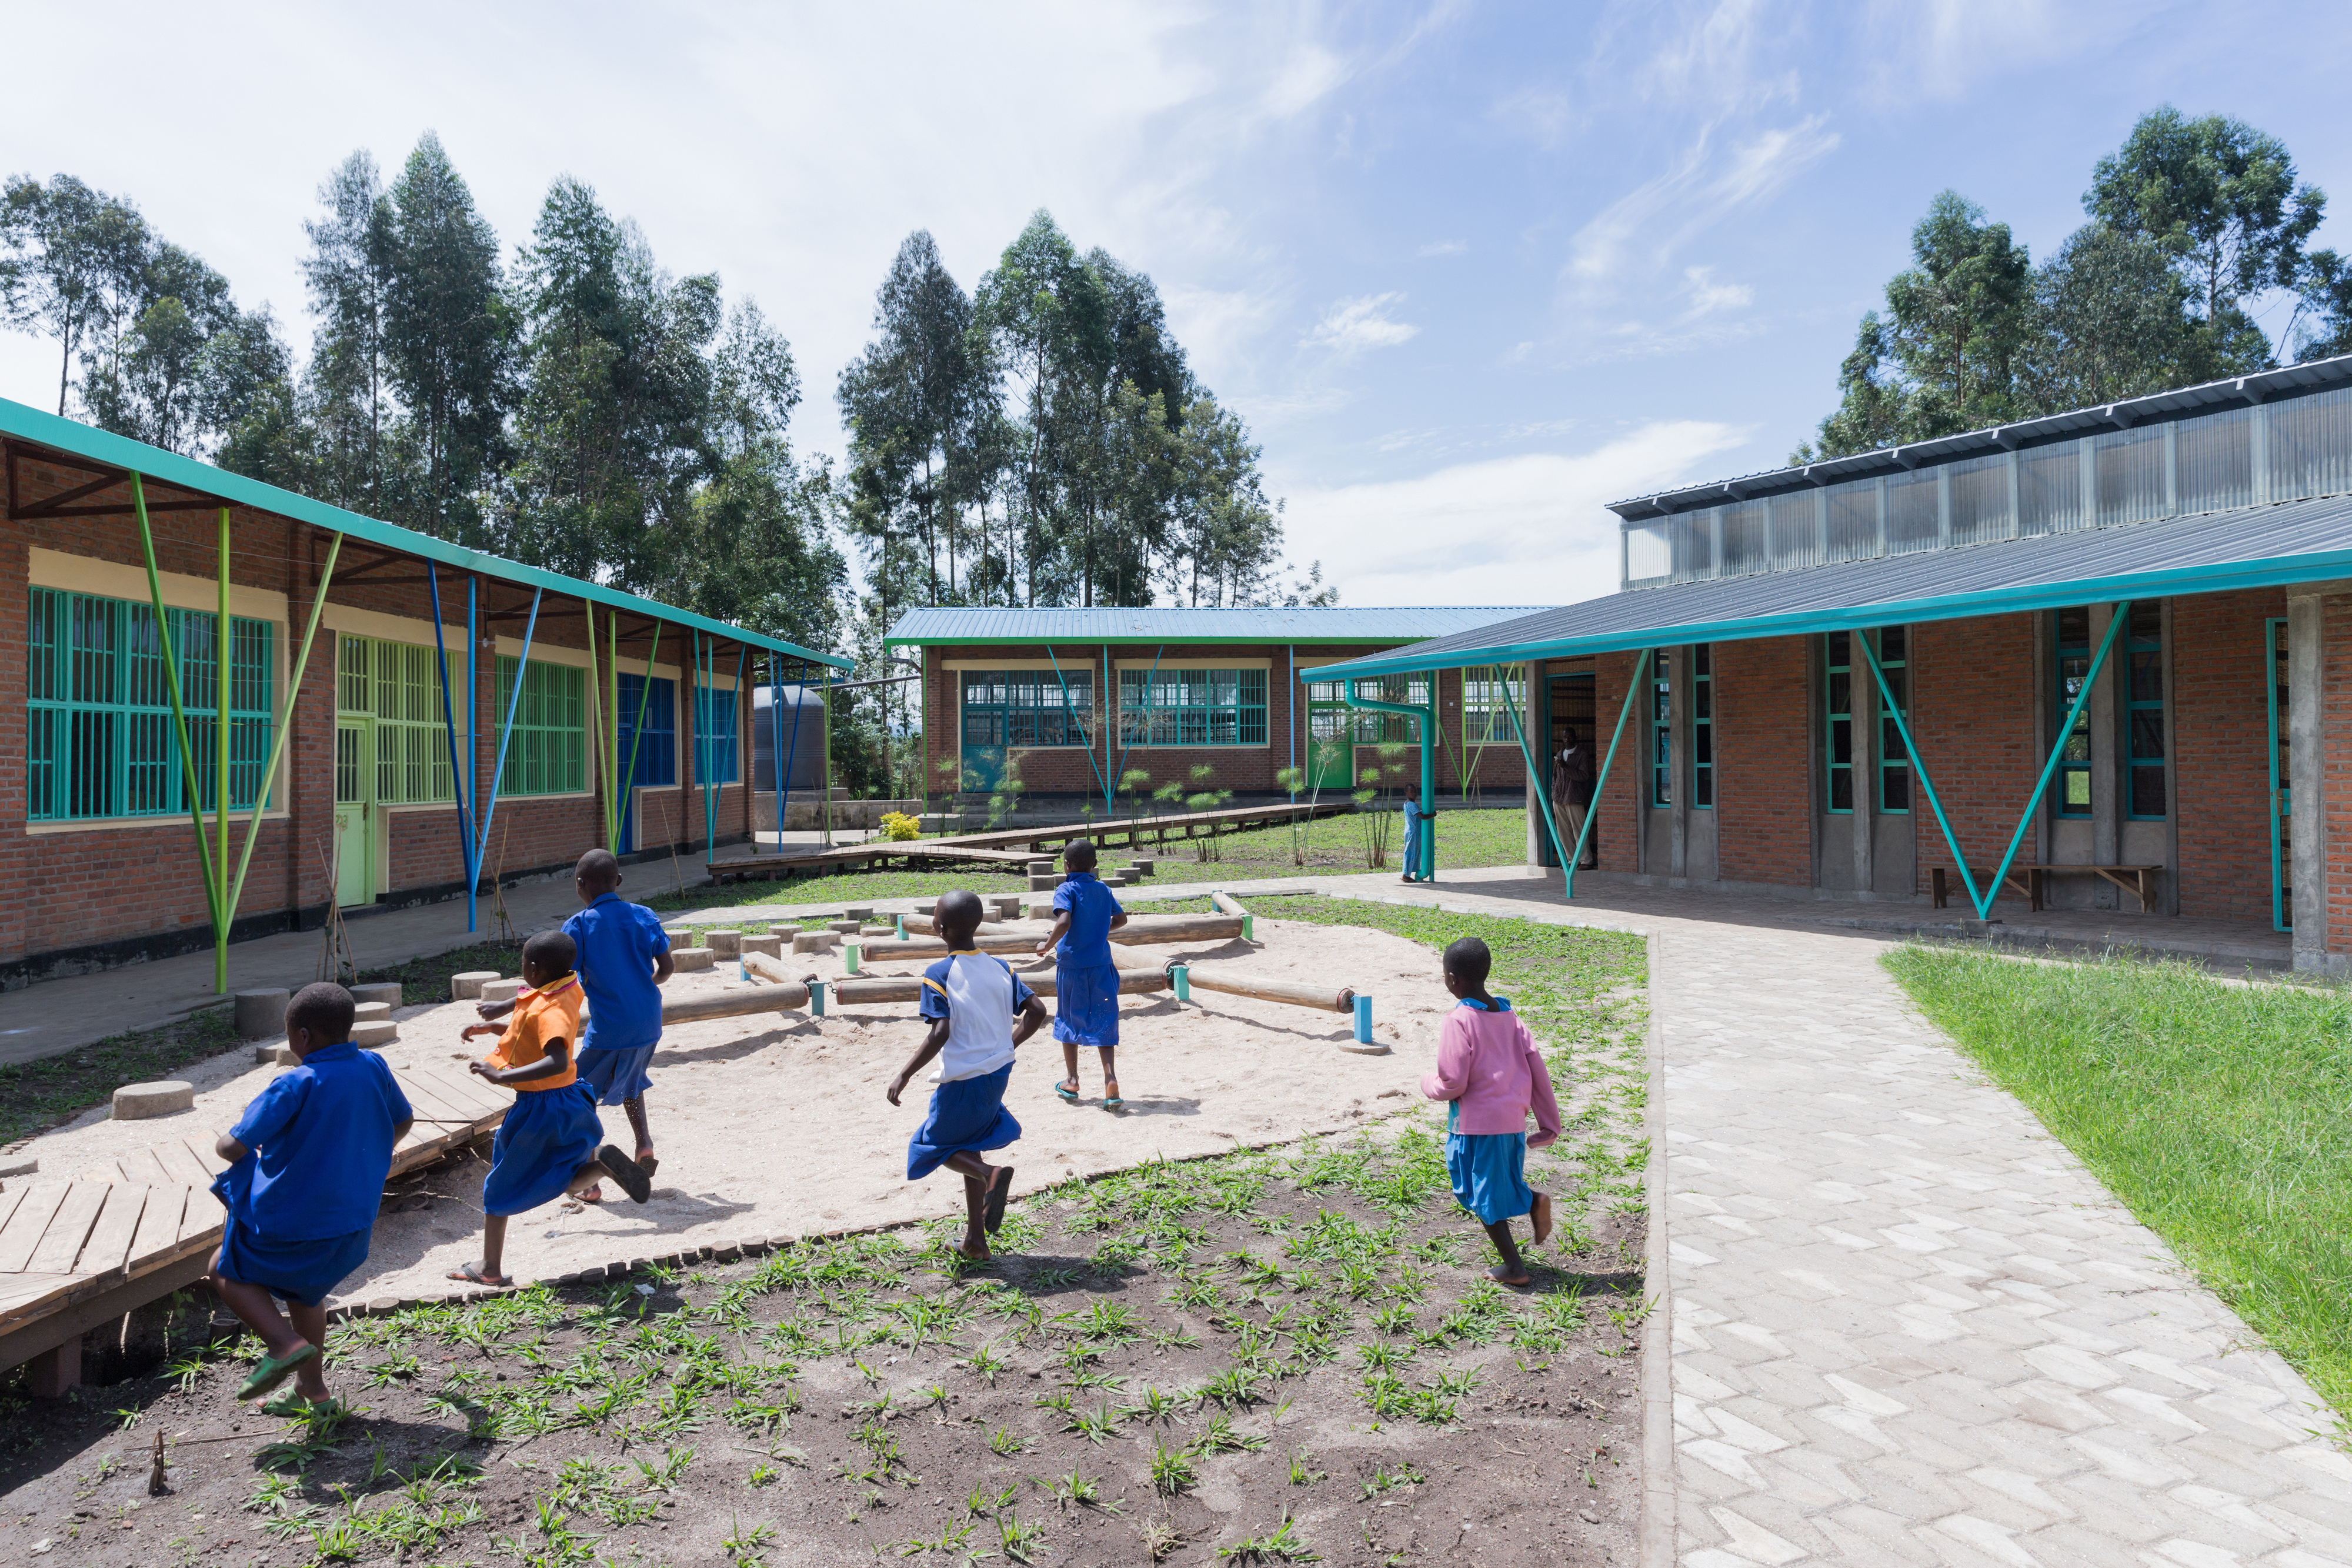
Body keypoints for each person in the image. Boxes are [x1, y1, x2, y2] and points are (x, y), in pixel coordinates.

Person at [209, 982, 414, 1416]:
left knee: (222, 1270)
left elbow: (232, 1149)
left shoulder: (295, 1083)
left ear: (303, 1036)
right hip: (352, 1220)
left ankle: (282, 1344)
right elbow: (403, 1119)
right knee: (306, 1294)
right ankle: (312, 1391)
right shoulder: (374, 1065)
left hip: (295, 1222)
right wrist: (369, 1159)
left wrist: (231, 1140)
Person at [449, 929, 648, 1287]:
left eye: (524, 964)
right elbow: (529, 1015)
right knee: (569, 1173)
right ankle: (601, 1167)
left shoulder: (552, 1012)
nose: (522, 970)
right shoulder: (567, 986)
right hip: (573, 1098)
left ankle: (489, 1267)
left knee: (499, 1186)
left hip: (539, 1107)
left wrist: (499, 1077)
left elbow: (556, 1058)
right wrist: (493, 1025)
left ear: (535, 969)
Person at [892, 889, 1048, 1262]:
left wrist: (905, 1074)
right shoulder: (1001, 967)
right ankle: (976, 1243)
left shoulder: (939, 973)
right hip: (998, 1073)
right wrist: (1007, 1045)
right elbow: (1038, 1011)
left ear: (940, 928)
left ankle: (990, 1174)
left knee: (933, 1146)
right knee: (969, 1140)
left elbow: (941, 1032)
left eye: (933, 915)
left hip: (963, 1079)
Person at [1420, 936, 1560, 1287]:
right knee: (1493, 1185)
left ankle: (1514, 1266)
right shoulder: (1511, 1017)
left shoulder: (1459, 1020)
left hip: (1476, 1127)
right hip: (1511, 1122)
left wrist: (1428, 1084)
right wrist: (1549, 1123)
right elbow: (1538, 1072)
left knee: (1480, 1194)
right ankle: (1532, 1201)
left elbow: (1452, 1082)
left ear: (1452, 979)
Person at [559, 849, 674, 1200]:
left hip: (610, 1028)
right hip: (649, 1022)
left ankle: (590, 1182)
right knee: (631, 1079)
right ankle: (644, 1143)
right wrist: (639, 987)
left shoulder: (579, 925)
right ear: (619, 881)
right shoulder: (645, 916)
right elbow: (666, 969)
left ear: (580, 886)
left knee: (580, 1093)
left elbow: (563, 980)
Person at [1035, 839, 1129, 1108]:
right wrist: (1099, 931)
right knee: (1105, 1018)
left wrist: (1047, 945)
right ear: (1095, 865)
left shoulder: (1066, 889)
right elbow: (1121, 920)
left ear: (1066, 865)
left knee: (1068, 1018)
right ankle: (1110, 1078)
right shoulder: (1102, 888)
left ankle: (1072, 1079)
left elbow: (1064, 921)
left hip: (1072, 967)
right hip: (1101, 965)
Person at [1554, 727, 1597, 870]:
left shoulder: (1582, 754)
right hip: (1560, 798)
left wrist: (1567, 767)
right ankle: (1572, 859)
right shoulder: (1560, 754)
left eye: (1569, 737)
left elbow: (1584, 776)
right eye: (1564, 737)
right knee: (1563, 830)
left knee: (1579, 829)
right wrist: (1555, 792)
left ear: (1575, 737)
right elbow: (1555, 777)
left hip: (1575, 797)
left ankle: (1586, 860)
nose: (1567, 740)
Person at [1401, 792, 1434, 883]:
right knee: (1411, 853)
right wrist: (1433, 815)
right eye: (1411, 791)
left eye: (1415, 791)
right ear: (1406, 793)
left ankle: (1406, 874)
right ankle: (1406, 875)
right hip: (1413, 832)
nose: (1414, 793)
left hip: (1409, 831)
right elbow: (1422, 817)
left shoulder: (1406, 803)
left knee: (1410, 852)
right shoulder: (1412, 805)